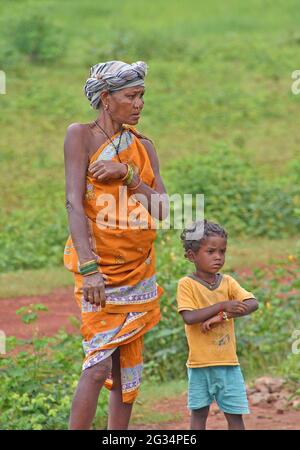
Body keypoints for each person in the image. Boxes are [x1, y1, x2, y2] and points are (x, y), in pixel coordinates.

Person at [63, 60, 168, 430]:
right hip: (100, 272)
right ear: (106, 98)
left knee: (126, 370)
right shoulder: (81, 136)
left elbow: (163, 209)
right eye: (131, 96)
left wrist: (130, 176)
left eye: (141, 96)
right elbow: (74, 202)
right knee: (97, 367)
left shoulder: (143, 146)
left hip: (139, 271)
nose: (139, 104)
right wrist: (89, 268)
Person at [176, 219, 258, 430]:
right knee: (199, 415)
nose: (218, 257)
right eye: (211, 251)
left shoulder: (228, 282)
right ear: (191, 256)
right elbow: (190, 317)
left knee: (235, 417)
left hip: (228, 365)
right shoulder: (187, 285)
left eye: (222, 251)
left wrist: (222, 316)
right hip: (199, 366)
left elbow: (252, 303)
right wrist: (222, 305)